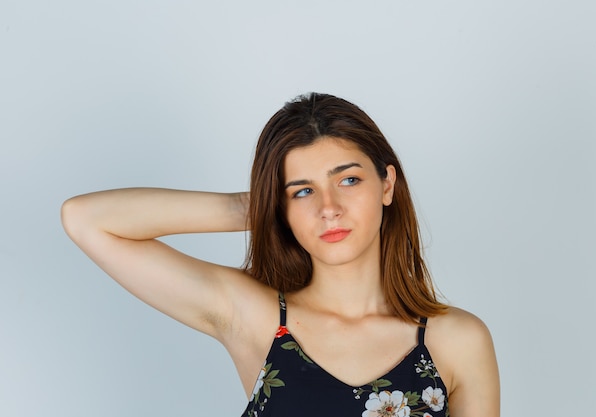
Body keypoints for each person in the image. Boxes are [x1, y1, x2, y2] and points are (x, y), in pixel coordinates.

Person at [61, 93, 500, 417]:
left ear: (387, 184)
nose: (329, 208)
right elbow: (86, 219)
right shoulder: (255, 317)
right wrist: (252, 206)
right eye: (303, 191)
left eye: (348, 180)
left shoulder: (457, 340)